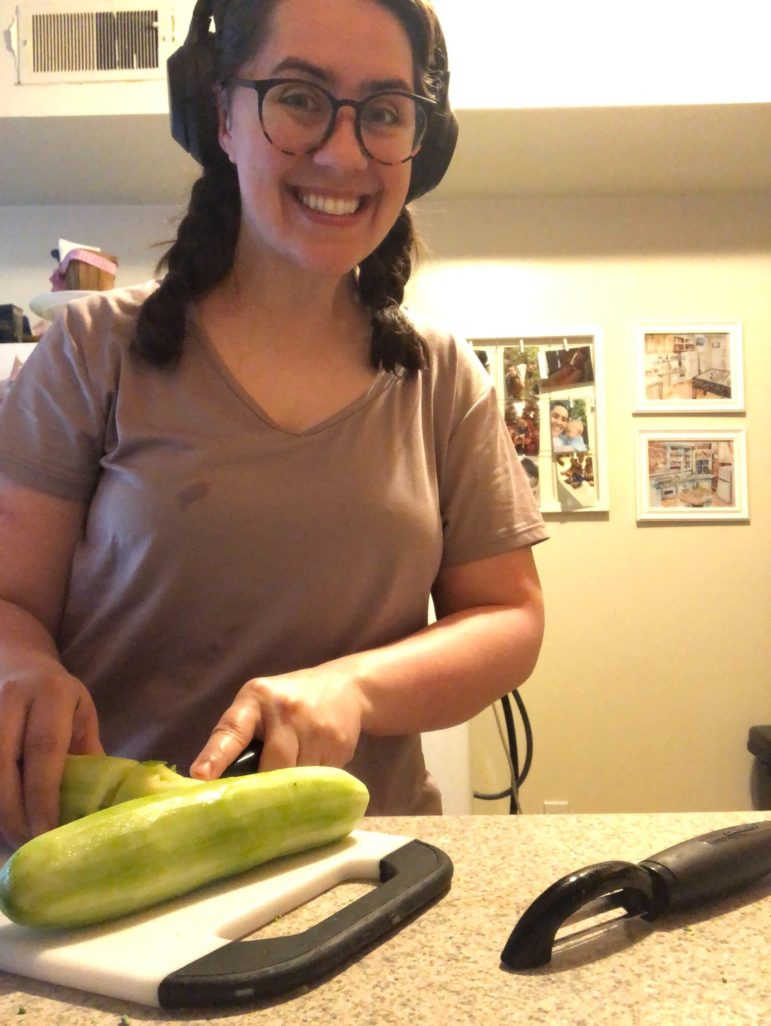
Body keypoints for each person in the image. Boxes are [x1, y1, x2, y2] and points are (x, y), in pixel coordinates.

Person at [0, 0, 547, 848]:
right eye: (298, 97)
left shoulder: (442, 379)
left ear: (418, 142)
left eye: (384, 112)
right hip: (104, 862)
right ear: (221, 116)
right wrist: (23, 665)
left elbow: (508, 618)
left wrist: (354, 688)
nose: (343, 150)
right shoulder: (88, 351)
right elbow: (8, 600)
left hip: (356, 863)